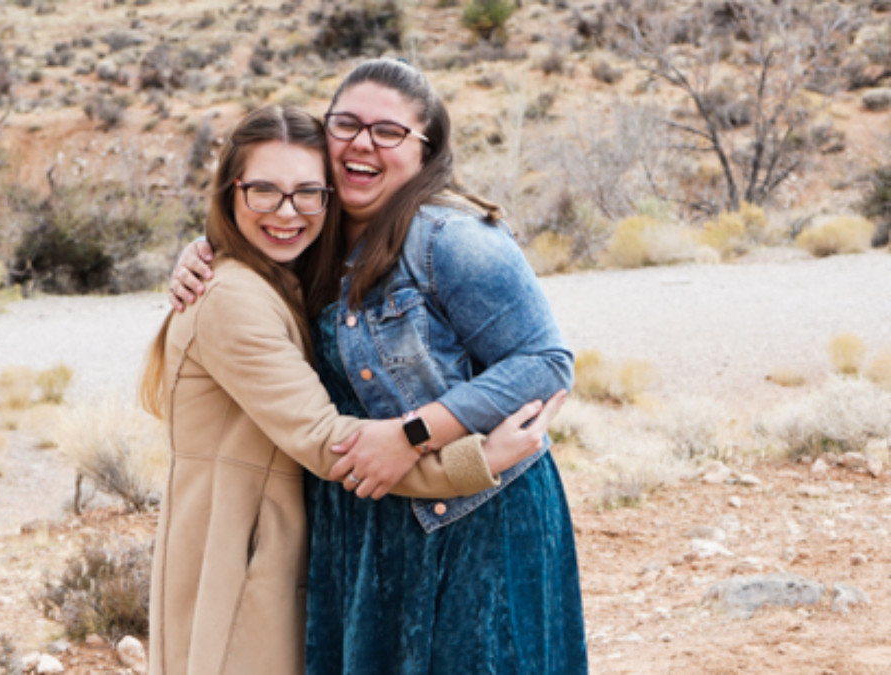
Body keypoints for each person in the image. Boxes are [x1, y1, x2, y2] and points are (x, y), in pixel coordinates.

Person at [169, 59, 587, 674]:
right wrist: (204, 251)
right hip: (362, 525)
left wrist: (416, 433)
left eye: (389, 132)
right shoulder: (314, 236)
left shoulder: (451, 238)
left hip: (471, 520)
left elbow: (547, 362)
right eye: (347, 125)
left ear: (425, 152)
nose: (363, 143)